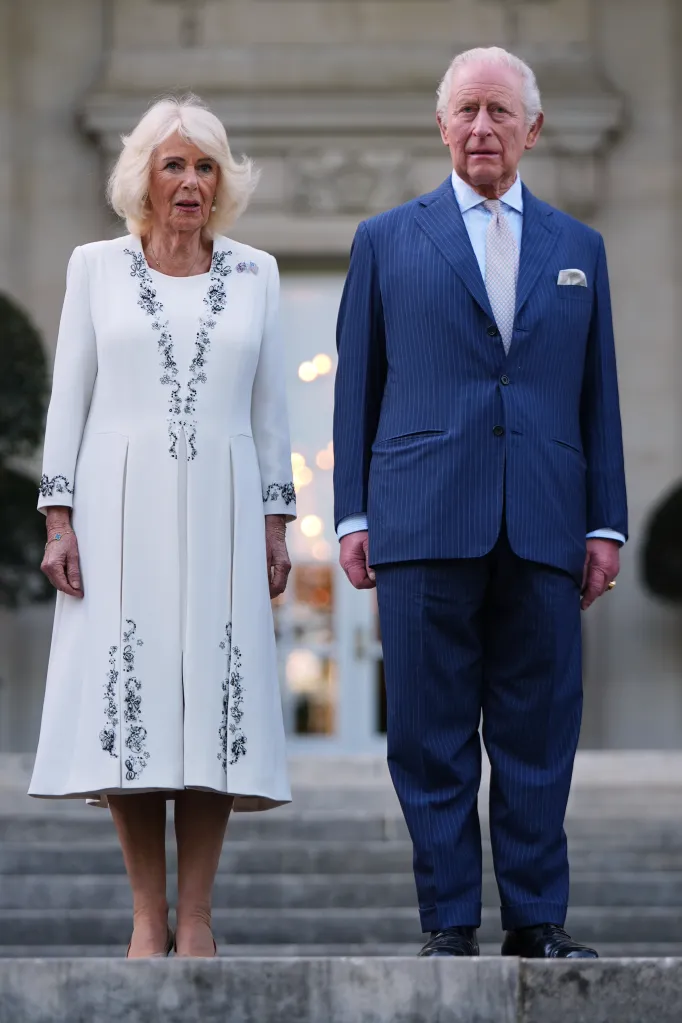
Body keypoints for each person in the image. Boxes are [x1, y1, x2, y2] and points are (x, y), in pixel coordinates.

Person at [333, 47, 627, 959]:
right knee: (429, 733)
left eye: (500, 111)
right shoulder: (385, 240)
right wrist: (351, 514)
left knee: (538, 731)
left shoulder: (580, 249)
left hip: (543, 519)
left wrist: (604, 520)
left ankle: (537, 919)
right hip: (421, 520)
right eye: (466, 111)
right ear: (441, 124)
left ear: (531, 129)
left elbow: (597, 394)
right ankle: (449, 921)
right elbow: (359, 389)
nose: (482, 128)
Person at [30, 95, 296, 958]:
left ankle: (198, 915)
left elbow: (270, 412)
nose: (190, 181)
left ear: (224, 183)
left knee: (211, 708)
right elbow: (68, 398)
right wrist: (59, 517)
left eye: (206, 165)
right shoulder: (94, 267)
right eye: (174, 163)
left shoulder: (257, 272)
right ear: (143, 176)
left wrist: (275, 522)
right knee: (134, 704)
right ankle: (148, 914)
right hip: (118, 510)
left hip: (223, 511)